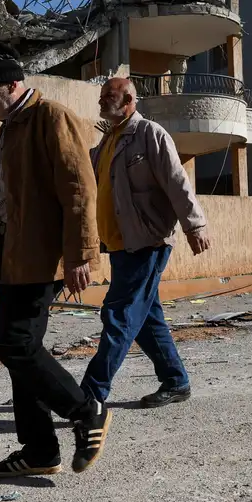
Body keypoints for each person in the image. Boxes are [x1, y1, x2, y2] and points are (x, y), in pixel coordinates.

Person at [0, 43, 112, 477]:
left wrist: (80, 254)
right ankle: (39, 451)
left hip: (42, 257)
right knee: (22, 352)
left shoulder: (52, 117)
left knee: (13, 344)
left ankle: (86, 411)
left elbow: (79, 188)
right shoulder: (9, 127)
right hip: (15, 257)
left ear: (12, 85)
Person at [81, 77, 211, 409]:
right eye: (101, 96)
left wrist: (194, 225)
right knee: (145, 318)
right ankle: (176, 381)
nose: (101, 100)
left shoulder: (150, 134)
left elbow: (176, 180)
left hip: (147, 240)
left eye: (108, 95)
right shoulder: (108, 141)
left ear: (129, 100)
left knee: (119, 315)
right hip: (120, 243)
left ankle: (90, 395)